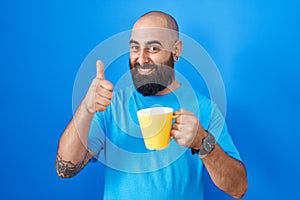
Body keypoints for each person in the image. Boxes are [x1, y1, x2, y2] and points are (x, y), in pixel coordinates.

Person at [55, 11, 248, 199]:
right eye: (134, 48)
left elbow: (238, 188)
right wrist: (86, 108)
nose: (141, 58)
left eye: (153, 48)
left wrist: (203, 143)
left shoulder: (205, 109)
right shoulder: (111, 106)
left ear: (176, 50)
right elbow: (65, 169)